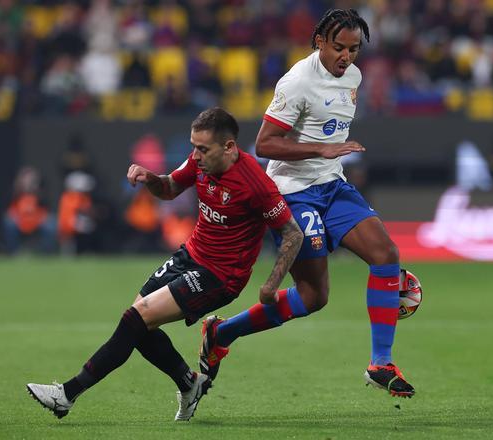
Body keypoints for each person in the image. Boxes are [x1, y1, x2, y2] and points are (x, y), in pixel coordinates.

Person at [26, 107, 303, 421]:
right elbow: (170, 187)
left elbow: (293, 233)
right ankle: (189, 383)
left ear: (229, 148)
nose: (195, 155)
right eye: (193, 146)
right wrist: (150, 178)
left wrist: (271, 285)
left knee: (137, 317)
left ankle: (67, 394)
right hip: (191, 255)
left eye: (202, 149)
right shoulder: (199, 163)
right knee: (136, 325)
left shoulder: (255, 183)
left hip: (220, 276)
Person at [199, 9, 415, 398]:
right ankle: (222, 332)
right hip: (292, 192)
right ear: (319, 42)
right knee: (314, 297)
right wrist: (323, 148)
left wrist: (328, 157)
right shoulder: (297, 81)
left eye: (353, 49)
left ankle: (380, 363)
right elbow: (265, 144)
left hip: (332, 185)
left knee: (386, 255)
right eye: (338, 48)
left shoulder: (354, 77)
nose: (346, 57)